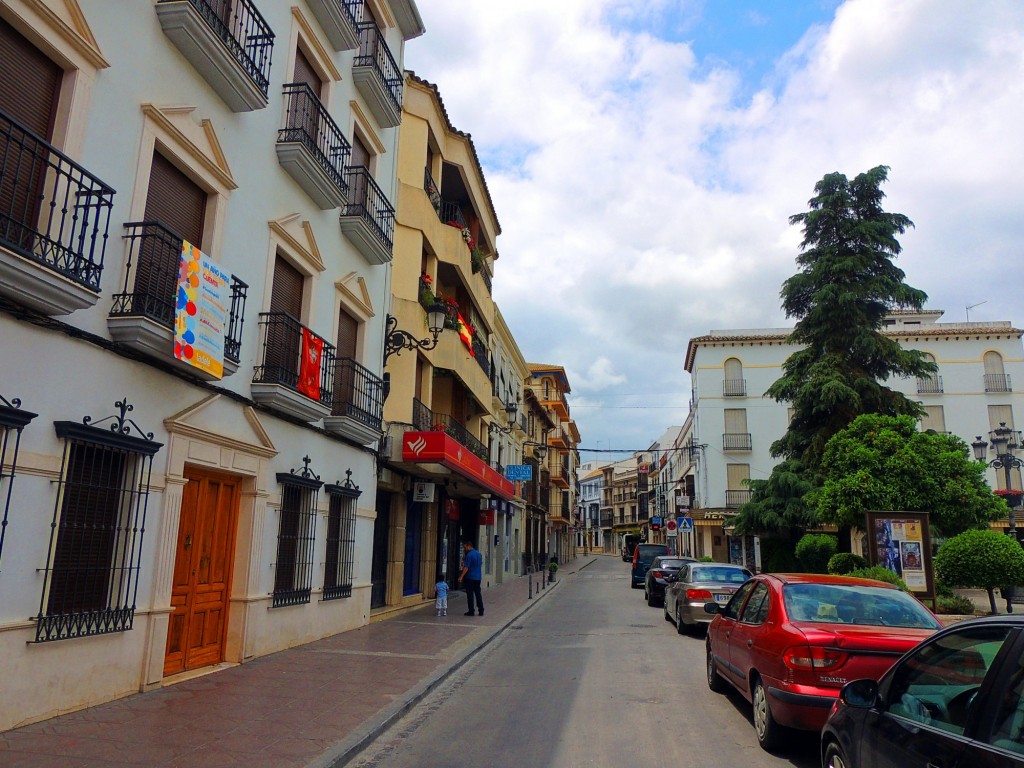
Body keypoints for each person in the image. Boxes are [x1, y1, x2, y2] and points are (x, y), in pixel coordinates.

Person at [459, 540, 483, 616]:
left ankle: (471, 611)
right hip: (478, 577)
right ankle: (481, 610)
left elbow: (466, 567)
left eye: (465, 547)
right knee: (478, 593)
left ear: (469, 546)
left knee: (470, 594)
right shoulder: (479, 554)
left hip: (470, 577)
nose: (464, 549)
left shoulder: (469, 555)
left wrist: (461, 576)